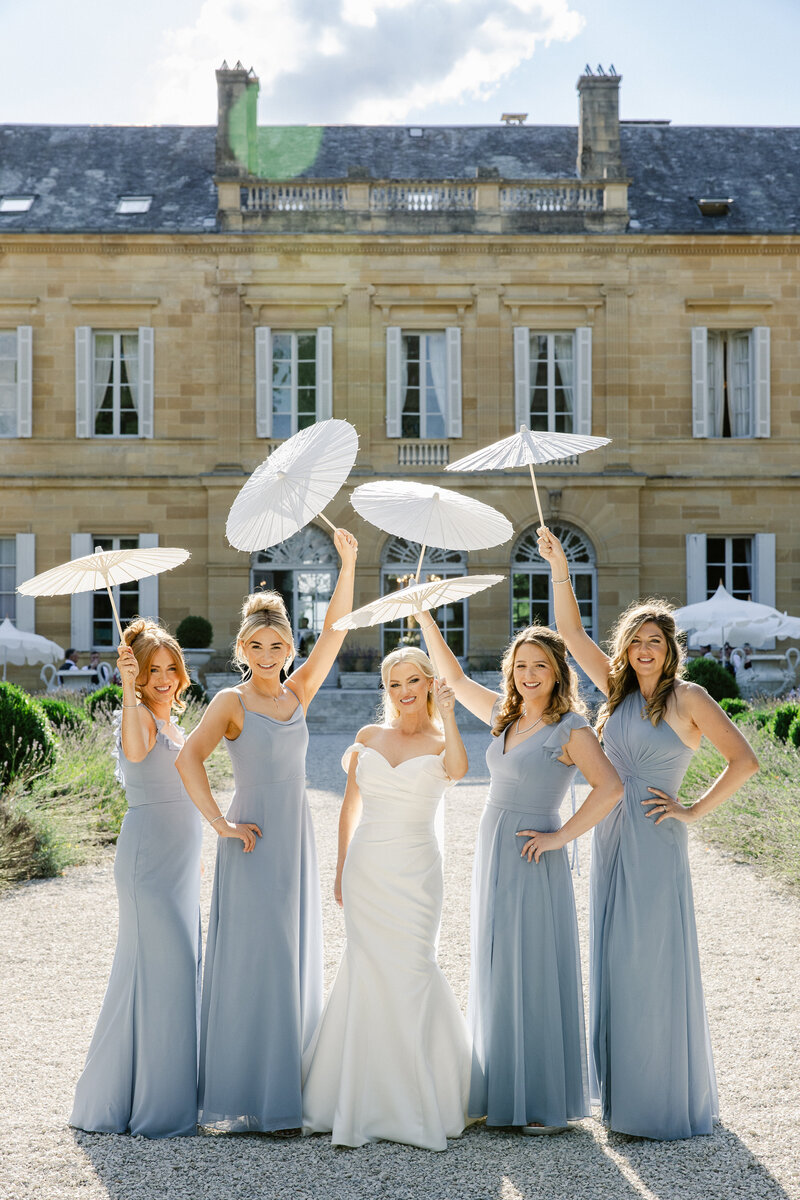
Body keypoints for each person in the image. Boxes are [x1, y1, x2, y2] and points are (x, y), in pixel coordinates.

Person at [537, 525, 759, 1140]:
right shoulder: (613, 693)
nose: (643, 650)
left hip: (656, 842)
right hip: (608, 836)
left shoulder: (688, 699)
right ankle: (621, 1099)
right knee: (611, 957)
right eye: (635, 641)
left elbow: (745, 761)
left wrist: (691, 812)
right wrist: (560, 568)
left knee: (649, 962)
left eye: (654, 642)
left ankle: (658, 1101)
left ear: (670, 649)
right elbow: (573, 636)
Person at [176, 528, 358, 1133]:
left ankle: (283, 1091)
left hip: (295, 836)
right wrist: (220, 823)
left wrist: (350, 562)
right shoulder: (229, 701)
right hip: (251, 840)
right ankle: (246, 1091)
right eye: (255, 643)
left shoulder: (300, 691)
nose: (266, 652)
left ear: (288, 645)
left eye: (276, 642)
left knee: (289, 954)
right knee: (256, 957)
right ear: (241, 647)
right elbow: (187, 760)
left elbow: (335, 631)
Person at [418, 617, 622, 1134]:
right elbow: (457, 680)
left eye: (540, 666)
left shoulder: (570, 727)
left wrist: (558, 837)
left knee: (531, 964)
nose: (529, 674)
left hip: (534, 854)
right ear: (511, 671)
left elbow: (611, 788)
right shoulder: (506, 717)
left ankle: (543, 1100)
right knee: (498, 961)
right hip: (493, 850)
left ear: (558, 673)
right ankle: (504, 1089)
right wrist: (425, 618)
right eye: (521, 665)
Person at [302, 647, 472, 1150]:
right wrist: (340, 869)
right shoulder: (367, 738)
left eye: (413, 681)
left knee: (414, 968)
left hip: (417, 872)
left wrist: (450, 714)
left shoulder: (444, 742)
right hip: (367, 871)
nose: (403, 692)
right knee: (366, 970)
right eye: (394, 684)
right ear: (387, 689)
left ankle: (425, 1094)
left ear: (427, 682)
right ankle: (360, 1096)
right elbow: (348, 808)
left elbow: (459, 770)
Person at [71, 619, 201, 1138]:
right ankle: (153, 1108)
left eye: (170, 667)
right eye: (153, 670)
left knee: (167, 973)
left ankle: (157, 1094)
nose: (164, 677)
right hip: (149, 860)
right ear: (140, 676)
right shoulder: (141, 717)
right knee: (162, 971)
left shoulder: (173, 719)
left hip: (181, 861)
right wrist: (126, 689)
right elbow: (137, 751)